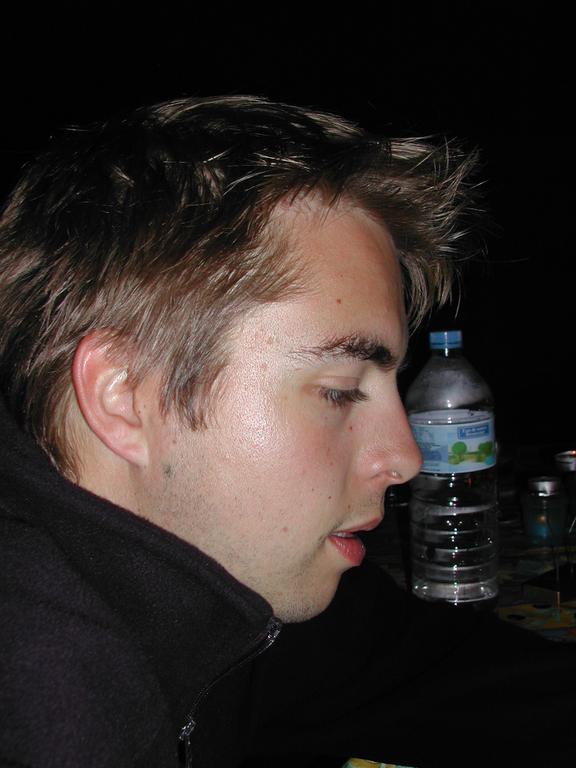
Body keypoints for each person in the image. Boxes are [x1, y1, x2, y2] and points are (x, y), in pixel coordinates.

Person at [0, 96, 573, 768]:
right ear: (125, 395)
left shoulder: (233, 582)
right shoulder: (46, 701)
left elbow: (433, 666)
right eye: (338, 391)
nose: (406, 459)